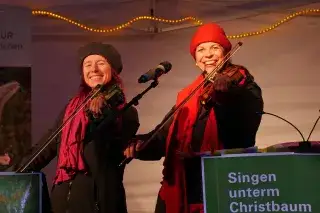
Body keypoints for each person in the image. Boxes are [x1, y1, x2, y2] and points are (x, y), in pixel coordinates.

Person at [124, 22, 264, 213]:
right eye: (201, 50)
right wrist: (139, 145)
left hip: (220, 185)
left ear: (225, 53)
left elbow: (243, 131)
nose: (208, 55)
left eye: (215, 48)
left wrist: (225, 97)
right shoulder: (189, 95)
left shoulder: (243, 86)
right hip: (182, 186)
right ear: (196, 60)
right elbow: (164, 137)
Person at [16, 42, 140, 213]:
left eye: (101, 63)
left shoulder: (126, 112)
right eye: (88, 65)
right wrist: (19, 170)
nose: (94, 69)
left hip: (99, 202)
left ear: (113, 70)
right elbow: (49, 145)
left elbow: (110, 147)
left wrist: (103, 110)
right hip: (63, 200)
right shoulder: (71, 109)